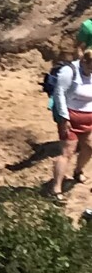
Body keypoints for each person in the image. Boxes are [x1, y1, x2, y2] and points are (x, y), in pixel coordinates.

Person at [49, 39, 92, 199]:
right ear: (84, 62)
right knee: (67, 152)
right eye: (90, 67)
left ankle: (78, 171)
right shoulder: (69, 72)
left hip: (88, 118)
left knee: (89, 148)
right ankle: (56, 188)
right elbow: (59, 93)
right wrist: (64, 117)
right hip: (71, 118)